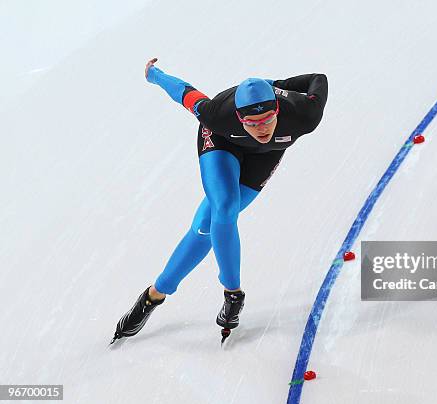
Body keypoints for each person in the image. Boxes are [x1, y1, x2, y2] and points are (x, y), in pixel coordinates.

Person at [111, 58, 328, 344]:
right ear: (239, 117)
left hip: (264, 158)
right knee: (224, 207)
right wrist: (155, 75)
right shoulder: (217, 114)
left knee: (205, 225)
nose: (261, 129)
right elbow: (184, 93)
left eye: (267, 120)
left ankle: (154, 294)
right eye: (252, 122)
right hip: (221, 141)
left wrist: (278, 86)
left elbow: (319, 78)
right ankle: (233, 293)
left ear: (278, 110)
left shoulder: (304, 115)